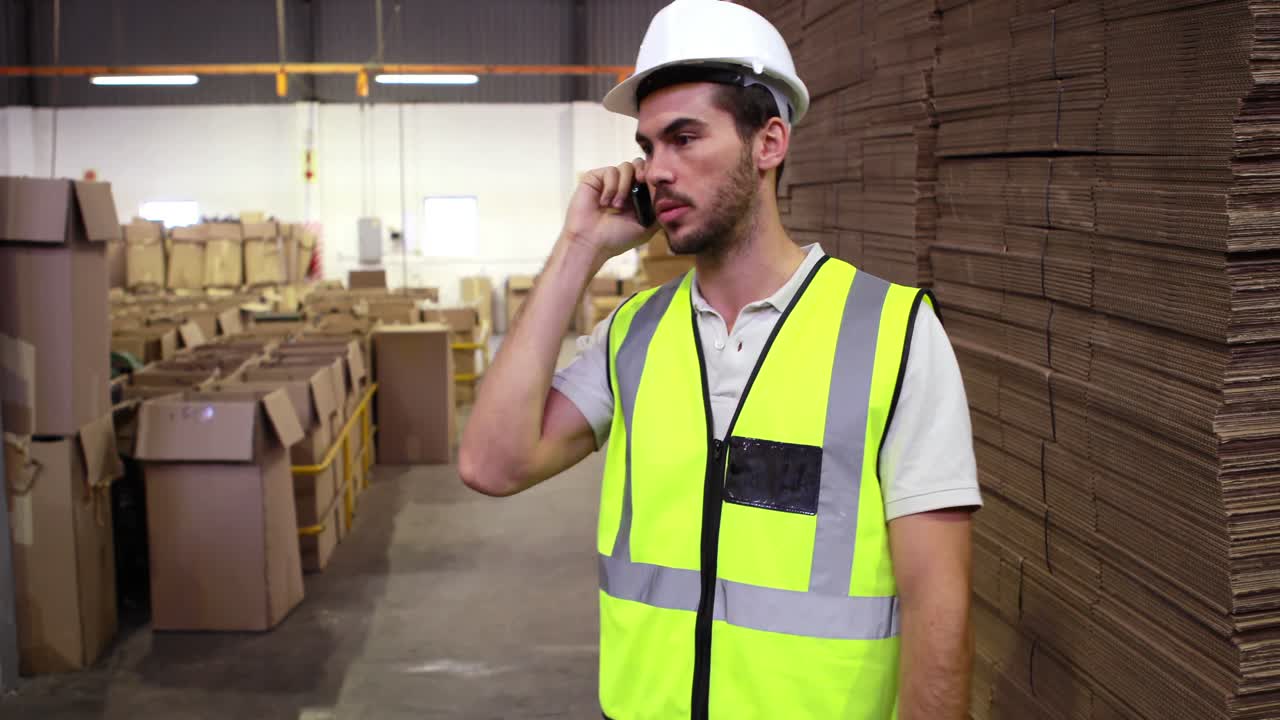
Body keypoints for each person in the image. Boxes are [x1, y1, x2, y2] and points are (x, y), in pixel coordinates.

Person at [459, 1, 981, 718]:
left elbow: (939, 611)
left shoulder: (894, 335)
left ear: (769, 143)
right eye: (647, 147)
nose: (656, 172)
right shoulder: (635, 335)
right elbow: (492, 463)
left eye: (684, 138)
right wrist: (579, 247)